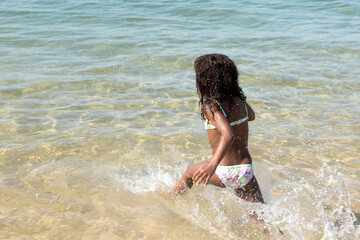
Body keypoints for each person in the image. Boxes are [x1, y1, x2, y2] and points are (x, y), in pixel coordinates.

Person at [172, 53, 264, 205]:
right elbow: (252, 115)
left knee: (189, 171)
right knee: (261, 216)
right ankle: (275, 230)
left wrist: (212, 165)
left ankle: (170, 198)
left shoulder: (211, 107)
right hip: (246, 171)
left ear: (204, 82)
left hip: (225, 173)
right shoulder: (238, 101)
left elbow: (228, 134)